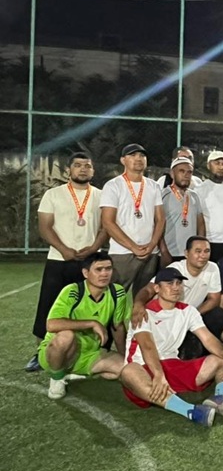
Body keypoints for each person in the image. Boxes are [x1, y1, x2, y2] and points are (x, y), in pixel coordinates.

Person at [120, 267, 223, 427]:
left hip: (173, 365)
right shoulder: (144, 312)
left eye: (178, 283)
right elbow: (147, 346)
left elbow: (207, 338)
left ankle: (219, 397)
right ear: (157, 288)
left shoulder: (188, 311)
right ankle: (191, 411)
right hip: (145, 369)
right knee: (128, 372)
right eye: (169, 283)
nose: (175, 287)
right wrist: (158, 375)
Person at [27, 152, 106, 372]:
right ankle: (40, 353)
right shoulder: (53, 194)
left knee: (88, 307)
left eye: (87, 166)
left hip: (90, 262)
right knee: (49, 306)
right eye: (78, 165)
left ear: (93, 171)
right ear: (69, 170)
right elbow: (45, 227)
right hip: (59, 259)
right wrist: (64, 250)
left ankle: (88, 352)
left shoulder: (101, 196)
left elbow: (105, 227)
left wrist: (93, 249)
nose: (83, 169)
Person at [37, 252, 127, 399]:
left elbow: (118, 327)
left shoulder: (117, 292)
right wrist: (91, 323)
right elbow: (51, 325)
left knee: (125, 369)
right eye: (99, 269)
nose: (104, 274)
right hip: (59, 354)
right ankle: (57, 377)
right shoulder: (73, 291)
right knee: (66, 336)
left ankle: (72, 373)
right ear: (86, 273)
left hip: (90, 354)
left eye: (108, 269)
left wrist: (126, 356)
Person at [131, 236, 223, 356]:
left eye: (207, 251)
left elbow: (214, 299)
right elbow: (148, 289)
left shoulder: (213, 268)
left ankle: (203, 351)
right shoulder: (175, 269)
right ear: (186, 253)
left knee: (218, 315)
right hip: (167, 317)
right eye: (198, 251)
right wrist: (138, 304)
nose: (203, 255)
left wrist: (191, 316)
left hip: (190, 315)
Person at [100, 143, 165, 296]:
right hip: (122, 252)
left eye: (142, 155)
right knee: (115, 296)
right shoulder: (113, 186)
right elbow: (108, 222)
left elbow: (160, 219)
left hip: (150, 252)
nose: (138, 158)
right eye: (132, 155)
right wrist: (133, 247)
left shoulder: (154, 186)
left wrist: (152, 245)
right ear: (123, 160)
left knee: (144, 297)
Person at [159, 157, 205, 267]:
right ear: (172, 174)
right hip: (170, 253)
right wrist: (164, 251)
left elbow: (200, 224)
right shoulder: (163, 195)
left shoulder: (194, 196)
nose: (186, 175)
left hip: (191, 254)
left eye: (189, 172)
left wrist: (200, 248)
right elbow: (156, 225)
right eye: (181, 171)